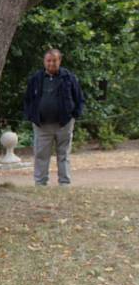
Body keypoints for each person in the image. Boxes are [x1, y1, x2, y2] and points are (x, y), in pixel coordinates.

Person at [23, 48, 84, 186]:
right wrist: (31, 116)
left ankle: (65, 183)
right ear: (44, 62)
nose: (51, 64)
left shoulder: (69, 77)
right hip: (42, 125)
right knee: (41, 155)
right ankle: (40, 183)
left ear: (59, 61)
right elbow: (28, 99)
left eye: (54, 60)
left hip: (64, 124)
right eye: (48, 61)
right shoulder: (36, 78)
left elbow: (79, 98)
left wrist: (74, 115)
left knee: (64, 155)